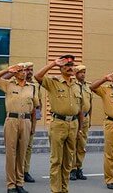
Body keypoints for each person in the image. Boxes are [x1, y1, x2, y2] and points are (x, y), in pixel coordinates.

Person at [35, 55, 84, 193]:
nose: (70, 68)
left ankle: (64, 189)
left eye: (71, 65)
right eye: (66, 65)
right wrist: (53, 63)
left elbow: (80, 109)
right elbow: (37, 76)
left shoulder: (77, 85)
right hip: (58, 124)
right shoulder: (53, 82)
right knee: (56, 160)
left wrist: (80, 128)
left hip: (73, 124)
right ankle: (56, 190)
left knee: (68, 160)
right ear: (60, 68)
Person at [0, 62, 38, 193]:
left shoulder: (32, 87)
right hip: (12, 119)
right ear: (16, 73)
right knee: (11, 154)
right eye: (21, 70)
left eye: (25, 70)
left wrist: (33, 124)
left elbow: (35, 107)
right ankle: (11, 184)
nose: (24, 73)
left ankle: (20, 183)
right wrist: (8, 70)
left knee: (22, 153)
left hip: (26, 120)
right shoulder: (8, 84)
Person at [70, 65, 92, 182]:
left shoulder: (88, 86)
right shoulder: (72, 85)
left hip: (85, 118)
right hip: (75, 118)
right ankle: (72, 169)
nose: (83, 74)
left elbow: (90, 104)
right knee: (73, 144)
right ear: (75, 74)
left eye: (84, 72)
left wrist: (90, 119)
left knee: (82, 145)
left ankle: (79, 167)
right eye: (80, 72)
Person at [23, 64, 40, 184]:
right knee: (19, 148)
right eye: (27, 70)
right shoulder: (16, 83)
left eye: (31, 70)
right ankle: (17, 171)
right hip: (19, 118)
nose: (29, 72)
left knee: (29, 147)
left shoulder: (36, 85)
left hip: (31, 118)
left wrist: (35, 122)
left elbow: (38, 103)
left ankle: (25, 171)